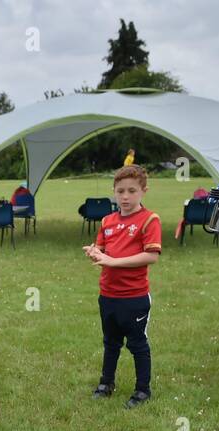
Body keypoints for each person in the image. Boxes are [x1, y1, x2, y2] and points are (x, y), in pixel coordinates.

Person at [84, 164, 162, 408]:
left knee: (138, 345)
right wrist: (95, 252)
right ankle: (106, 383)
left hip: (134, 297)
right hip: (108, 295)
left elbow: (151, 256)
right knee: (110, 342)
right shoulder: (107, 220)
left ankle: (142, 390)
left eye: (132, 191)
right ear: (114, 192)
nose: (125, 197)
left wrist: (113, 262)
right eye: (120, 191)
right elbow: (103, 251)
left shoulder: (150, 219)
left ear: (143, 191)